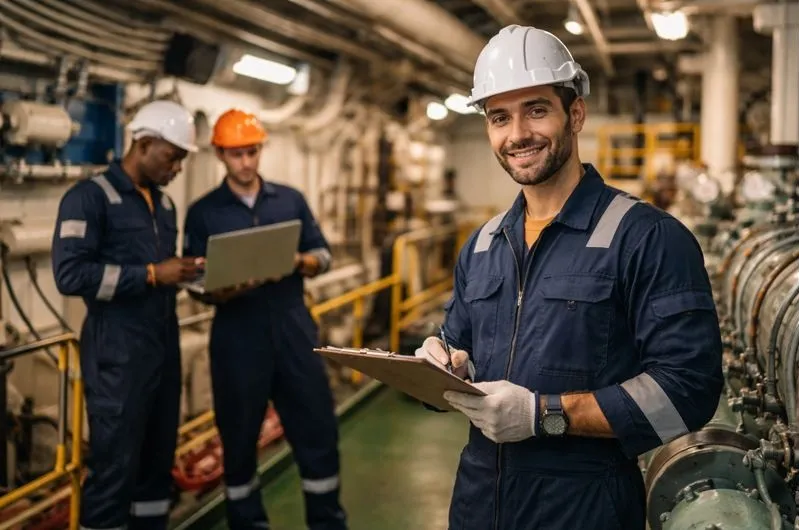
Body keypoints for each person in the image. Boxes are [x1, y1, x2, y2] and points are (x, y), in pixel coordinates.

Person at [414, 25, 723, 530]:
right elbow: (457, 346)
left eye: (536, 110)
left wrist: (544, 414)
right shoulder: (485, 244)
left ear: (575, 113)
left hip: (584, 510)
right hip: (478, 503)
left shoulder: (647, 238)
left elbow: (687, 393)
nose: (517, 135)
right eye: (499, 117)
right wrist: (440, 363)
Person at [183, 108, 347, 530]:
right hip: (237, 335)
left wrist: (298, 260)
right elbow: (194, 280)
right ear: (220, 154)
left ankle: (327, 522)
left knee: (318, 428)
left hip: (294, 328)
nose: (246, 162)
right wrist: (223, 287)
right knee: (238, 441)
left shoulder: (290, 200)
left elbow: (324, 254)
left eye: (252, 152)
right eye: (236, 154)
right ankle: (248, 523)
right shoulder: (203, 212)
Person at [52, 99, 203, 530]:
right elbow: (70, 274)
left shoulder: (166, 206)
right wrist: (153, 274)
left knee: (157, 463)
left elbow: (162, 271)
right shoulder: (89, 198)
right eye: (172, 157)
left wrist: (191, 275)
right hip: (116, 351)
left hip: (162, 344)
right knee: (114, 469)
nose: (176, 169)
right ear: (144, 142)